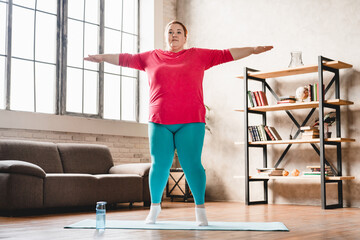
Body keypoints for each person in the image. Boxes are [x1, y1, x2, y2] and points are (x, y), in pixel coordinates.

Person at [85, 20, 273, 226]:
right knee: (159, 165)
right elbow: (126, 59)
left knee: (192, 164)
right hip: (159, 120)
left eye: (178, 32)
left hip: (191, 120)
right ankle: (154, 209)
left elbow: (226, 54)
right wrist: (102, 57)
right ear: (166, 36)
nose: (174, 35)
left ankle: (200, 211)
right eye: (170, 32)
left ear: (185, 37)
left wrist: (253, 50)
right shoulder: (150, 57)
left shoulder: (199, 55)